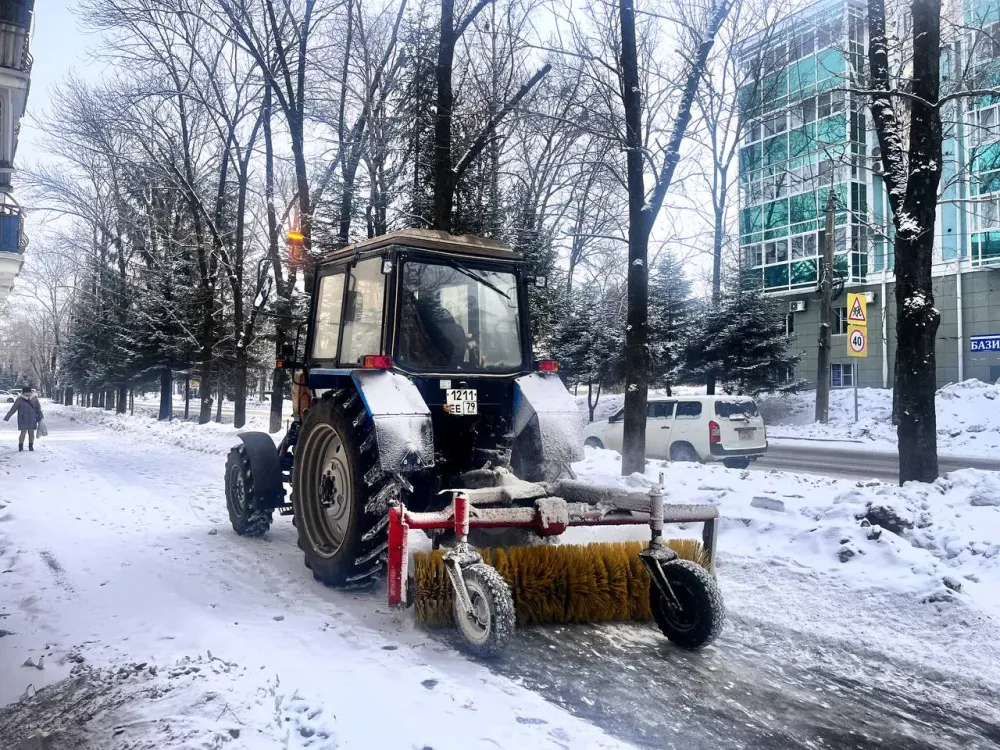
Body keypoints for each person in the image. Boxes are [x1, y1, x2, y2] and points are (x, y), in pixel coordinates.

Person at [4, 386, 43, 452]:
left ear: (31, 392)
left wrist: (40, 416)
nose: (28, 393)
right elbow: (14, 408)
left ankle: (31, 446)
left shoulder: (34, 398)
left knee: (31, 433)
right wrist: (7, 417)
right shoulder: (19, 399)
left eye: (29, 392)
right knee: (23, 433)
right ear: (23, 392)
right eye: (26, 392)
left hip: (32, 418)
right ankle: (20, 446)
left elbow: (38, 408)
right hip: (23, 418)